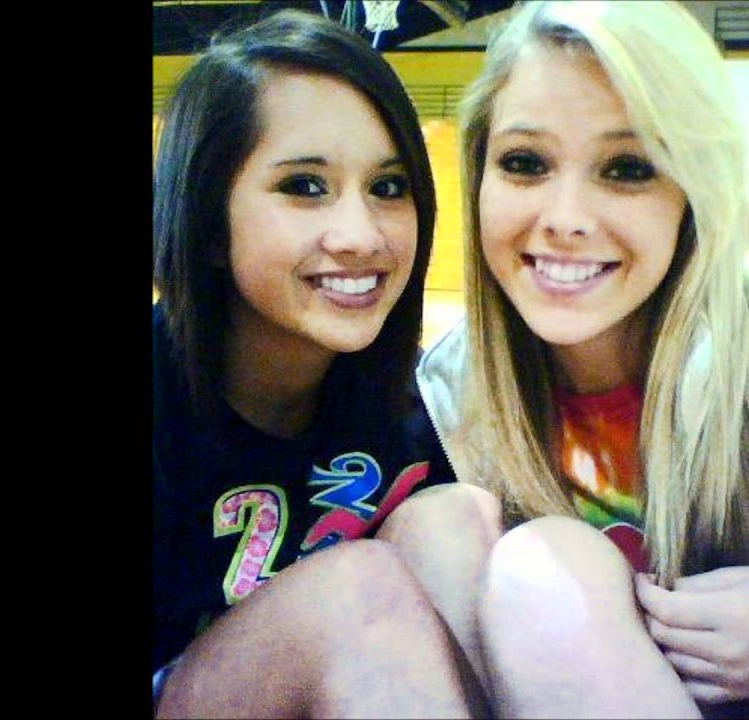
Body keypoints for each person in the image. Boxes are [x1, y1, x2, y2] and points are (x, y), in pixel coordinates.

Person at [393, 2, 749, 717]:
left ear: (694, 191)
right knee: (438, 526)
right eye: (525, 163)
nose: (565, 219)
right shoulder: (456, 385)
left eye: (627, 168)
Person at [151, 10, 472, 718]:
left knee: (460, 516)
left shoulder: (417, 403)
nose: (361, 235)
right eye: (304, 186)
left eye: (388, 187)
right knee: (355, 588)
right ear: (207, 222)